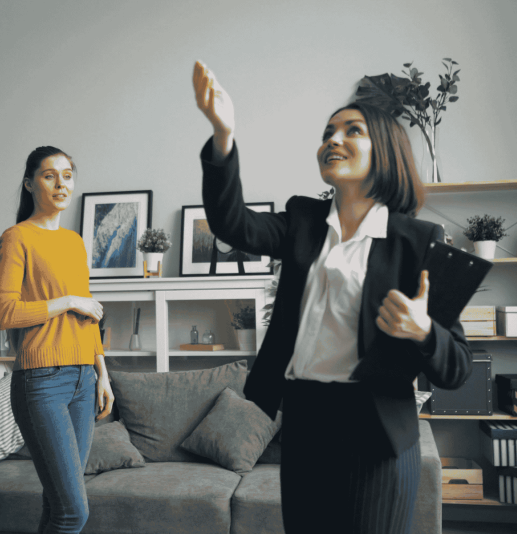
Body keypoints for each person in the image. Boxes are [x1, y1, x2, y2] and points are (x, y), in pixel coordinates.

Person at [192, 61, 473, 534]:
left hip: (378, 429)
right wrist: (223, 134)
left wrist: (422, 331)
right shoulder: (301, 220)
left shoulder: (419, 241)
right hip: (305, 422)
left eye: (352, 131)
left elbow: (458, 367)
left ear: (384, 151)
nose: (332, 140)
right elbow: (232, 224)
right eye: (327, 132)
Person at [0, 146, 114, 534]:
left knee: (57, 504)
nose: (61, 183)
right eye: (49, 175)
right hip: (41, 381)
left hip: (84, 380)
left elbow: (89, 315)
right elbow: (3, 313)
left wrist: (103, 374)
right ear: (29, 184)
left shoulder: (74, 242)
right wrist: (67, 301)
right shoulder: (16, 238)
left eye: (67, 175)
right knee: (73, 512)